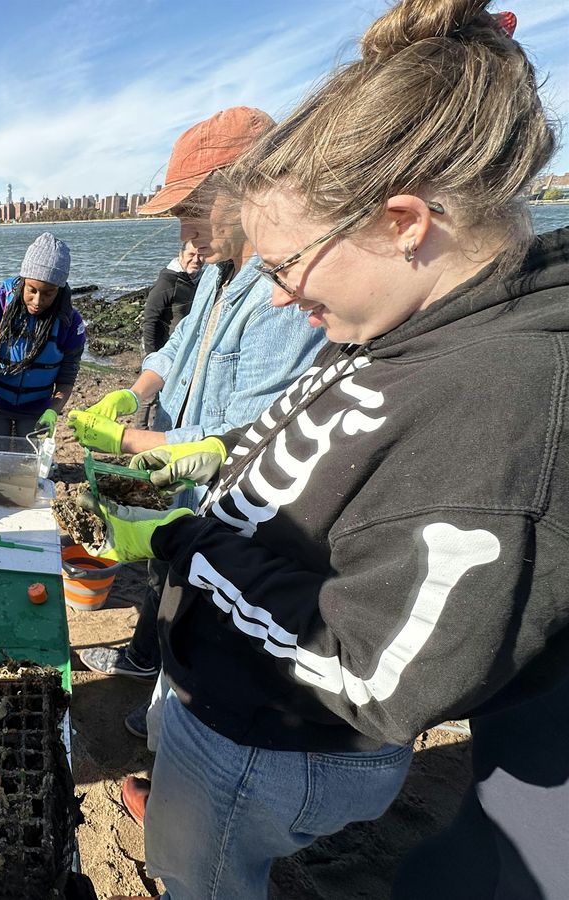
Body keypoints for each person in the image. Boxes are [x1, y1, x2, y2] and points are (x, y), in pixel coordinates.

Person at [89, 2, 565, 897]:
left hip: (278, 737)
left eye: (286, 267)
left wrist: (181, 540)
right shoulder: (402, 325)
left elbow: (370, 666)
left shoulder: (501, 397)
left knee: (202, 880)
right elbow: (302, 439)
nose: (274, 298)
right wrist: (203, 463)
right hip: (227, 691)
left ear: (403, 222)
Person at [67, 107, 325, 742]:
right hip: (177, 469)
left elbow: (243, 432)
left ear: (246, 188)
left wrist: (128, 442)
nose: (183, 227)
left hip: (230, 494)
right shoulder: (214, 271)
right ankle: (147, 682)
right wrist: (130, 396)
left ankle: (169, 726)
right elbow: (176, 349)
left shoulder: (279, 295)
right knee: (164, 581)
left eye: (192, 207)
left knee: (202, 616)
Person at [0, 231, 86, 442]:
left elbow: (67, 377)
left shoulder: (70, 322)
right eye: (32, 290)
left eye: (48, 293)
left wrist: (53, 411)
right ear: (23, 281)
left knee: (26, 467)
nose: (37, 301)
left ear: (60, 289)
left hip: (37, 408)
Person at [136, 240, 204, 429]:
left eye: (200, 255)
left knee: (172, 391)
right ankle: (140, 431)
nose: (196, 260)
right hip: (159, 347)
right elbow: (150, 319)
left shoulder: (200, 280)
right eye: (191, 255)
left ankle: (161, 431)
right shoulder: (167, 281)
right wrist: (151, 354)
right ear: (180, 254)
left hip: (182, 347)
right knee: (149, 395)